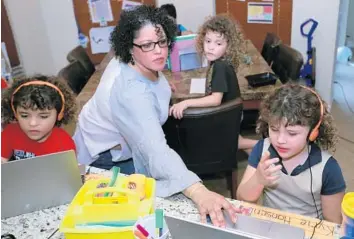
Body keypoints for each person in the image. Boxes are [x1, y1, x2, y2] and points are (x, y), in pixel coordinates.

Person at [73, 5, 239, 227]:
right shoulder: (131, 94)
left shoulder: (135, 60)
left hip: (116, 139)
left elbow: (147, 74)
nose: (160, 51)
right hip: (106, 155)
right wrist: (198, 191)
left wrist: (159, 85)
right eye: (148, 45)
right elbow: (155, 149)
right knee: (139, 215)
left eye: (162, 42)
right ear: (129, 47)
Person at [236, 84, 346, 224]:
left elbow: (333, 222)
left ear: (313, 133)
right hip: (269, 227)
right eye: (274, 129)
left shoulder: (328, 169)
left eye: (292, 133)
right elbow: (242, 199)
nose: (280, 140)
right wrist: (258, 179)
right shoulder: (262, 150)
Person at [169, 15, 258, 154]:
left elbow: (216, 100)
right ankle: (257, 156)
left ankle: (263, 144)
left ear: (228, 46)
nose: (211, 47)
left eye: (218, 43)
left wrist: (186, 103)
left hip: (227, 114)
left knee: (231, 143)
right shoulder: (220, 62)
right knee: (238, 142)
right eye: (208, 41)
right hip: (232, 112)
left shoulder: (220, 67)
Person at [1, 75, 77, 162]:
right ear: (15, 114)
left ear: (59, 115)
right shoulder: (10, 132)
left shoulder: (65, 145)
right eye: (24, 116)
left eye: (43, 116)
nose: (33, 123)